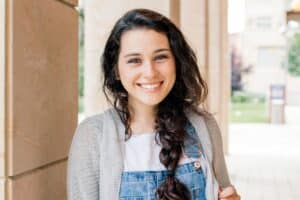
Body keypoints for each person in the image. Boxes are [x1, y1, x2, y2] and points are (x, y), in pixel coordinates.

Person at [67, 8, 240, 200]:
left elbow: (224, 190)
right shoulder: (92, 136)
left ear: (176, 61)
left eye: (160, 57)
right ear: (116, 69)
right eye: (134, 60)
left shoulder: (204, 126)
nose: (150, 72)